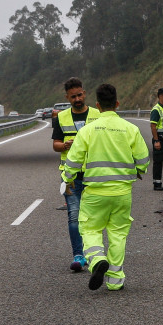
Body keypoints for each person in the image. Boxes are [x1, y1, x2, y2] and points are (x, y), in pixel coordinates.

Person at [62, 84, 149, 291]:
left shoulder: (87, 130)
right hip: (122, 193)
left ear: (97, 105)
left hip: (95, 193)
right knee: (118, 234)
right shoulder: (131, 129)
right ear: (117, 104)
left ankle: (97, 260)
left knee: (89, 229)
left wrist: (67, 178)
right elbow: (143, 160)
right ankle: (115, 280)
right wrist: (138, 171)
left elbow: (73, 161)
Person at [51, 77, 100, 272]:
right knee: (73, 216)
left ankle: (94, 253)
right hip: (70, 176)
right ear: (67, 98)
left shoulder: (97, 115)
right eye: (73, 97)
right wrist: (64, 145)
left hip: (94, 175)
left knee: (94, 217)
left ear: (85, 93)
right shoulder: (61, 118)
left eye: (80, 95)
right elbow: (55, 145)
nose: (77, 99)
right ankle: (78, 256)